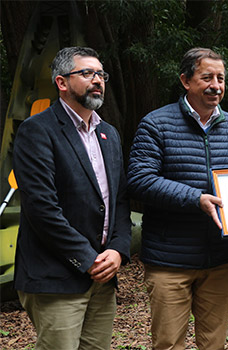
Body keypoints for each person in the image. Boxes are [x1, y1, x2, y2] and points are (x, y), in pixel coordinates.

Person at [127, 47, 228, 350]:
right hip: (170, 259)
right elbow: (139, 181)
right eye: (207, 77)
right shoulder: (156, 124)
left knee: (214, 344)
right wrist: (196, 198)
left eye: (221, 78)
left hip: (220, 259)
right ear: (186, 80)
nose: (216, 85)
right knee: (169, 344)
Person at [12, 46, 132, 349]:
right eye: (87, 73)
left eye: (101, 74)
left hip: (103, 276)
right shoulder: (37, 131)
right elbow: (41, 209)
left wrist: (117, 250)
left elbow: (118, 200)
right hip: (56, 276)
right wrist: (88, 258)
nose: (98, 80)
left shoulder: (110, 134)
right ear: (61, 82)